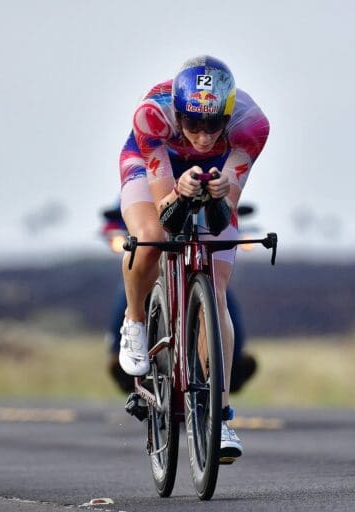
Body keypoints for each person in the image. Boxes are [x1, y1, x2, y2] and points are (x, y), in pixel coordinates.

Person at [117, 56, 269, 462]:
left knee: (216, 292)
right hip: (152, 163)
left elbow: (224, 216)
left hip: (214, 173)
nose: (203, 137)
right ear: (179, 113)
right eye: (194, 124)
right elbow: (166, 211)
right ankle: (134, 322)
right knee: (150, 238)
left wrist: (219, 192)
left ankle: (220, 419)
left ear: (228, 115)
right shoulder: (153, 115)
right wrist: (180, 192)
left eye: (213, 125)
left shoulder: (252, 126)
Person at [101, 202, 257, 394]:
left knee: (220, 292)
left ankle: (235, 359)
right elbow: (126, 203)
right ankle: (118, 353)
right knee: (130, 290)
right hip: (155, 241)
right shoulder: (147, 174)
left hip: (196, 242)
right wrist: (113, 225)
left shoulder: (210, 174)